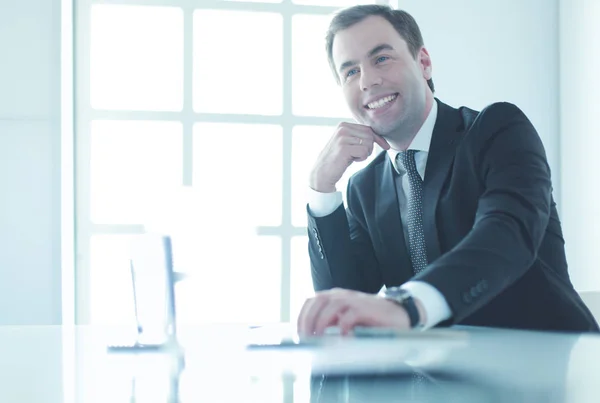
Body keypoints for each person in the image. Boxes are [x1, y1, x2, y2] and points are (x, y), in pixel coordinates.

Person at [297, 4, 599, 336]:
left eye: (381, 58)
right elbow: (344, 299)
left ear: (423, 62)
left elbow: (506, 234)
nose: (368, 80)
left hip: (549, 364)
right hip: (436, 378)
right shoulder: (364, 187)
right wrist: (321, 190)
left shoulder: (497, 130)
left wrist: (408, 306)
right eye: (350, 72)